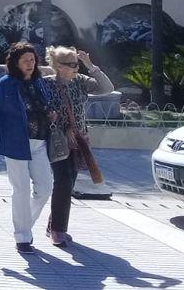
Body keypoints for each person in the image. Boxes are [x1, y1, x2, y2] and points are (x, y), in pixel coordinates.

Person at [0, 41, 56, 255]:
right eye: (25, 60)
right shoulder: (6, 84)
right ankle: (22, 237)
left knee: (45, 188)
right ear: (16, 63)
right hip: (15, 144)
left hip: (40, 143)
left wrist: (50, 115)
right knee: (20, 190)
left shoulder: (39, 83)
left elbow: (45, 107)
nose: (30, 64)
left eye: (32, 60)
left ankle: (24, 225)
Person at [43, 46, 114, 247]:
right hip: (56, 140)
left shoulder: (81, 82)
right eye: (71, 64)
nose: (76, 68)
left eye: (77, 64)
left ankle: (53, 225)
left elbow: (107, 88)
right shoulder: (45, 84)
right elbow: (36, 107)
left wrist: (90, 65)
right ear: (58, 66)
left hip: (78, 140)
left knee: (68, 183)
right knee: (63, 182)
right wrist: (50, 118)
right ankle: (58, 230)